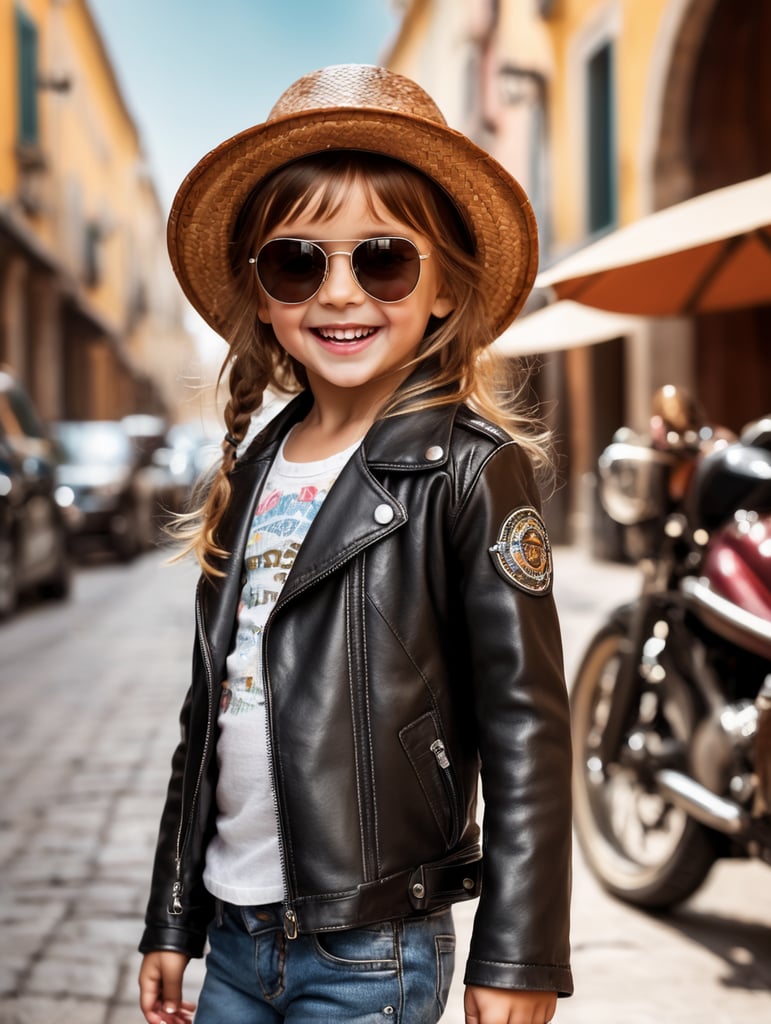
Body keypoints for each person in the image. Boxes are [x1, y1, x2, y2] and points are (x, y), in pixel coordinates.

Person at [138, 63, 573, 1024]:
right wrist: (173, 917)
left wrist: (520, 951)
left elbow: (528, 729)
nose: (340, 293)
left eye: (382, 258)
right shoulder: (254, 470)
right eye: (299, 262)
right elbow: (204, 714)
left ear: (445, 290)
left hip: (372, 948)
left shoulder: (470, 469)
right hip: (237, 938)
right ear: (261, 294)